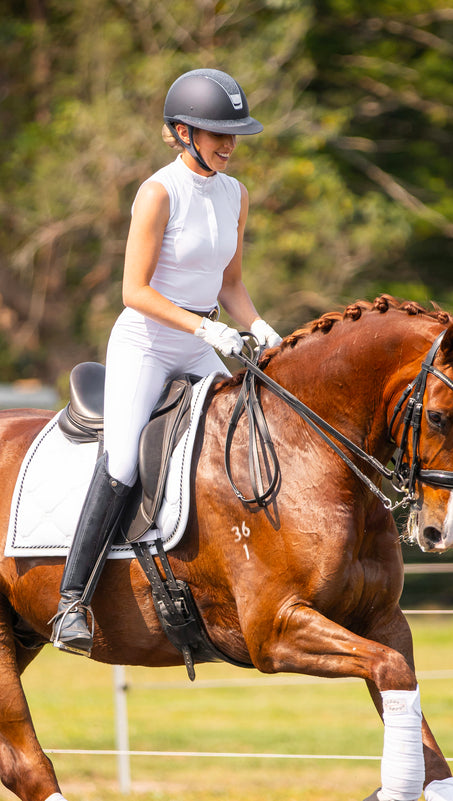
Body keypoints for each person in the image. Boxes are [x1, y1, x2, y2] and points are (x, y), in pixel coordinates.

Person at [51, 68, 281, 656]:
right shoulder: (158, 192)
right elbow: (135, 291)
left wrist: (255, 324)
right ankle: (72, 601)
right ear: (182, 132)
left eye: (234, 135)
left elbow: (230, 281)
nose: (229, 145)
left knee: (238, 441)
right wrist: (209, 328)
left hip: (205, 336)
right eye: (215, 134)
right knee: (124, 458)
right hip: (148, 342)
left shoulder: (235, 193)